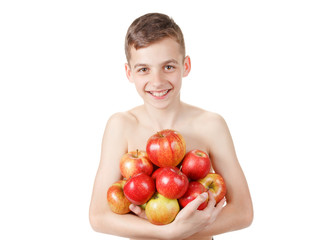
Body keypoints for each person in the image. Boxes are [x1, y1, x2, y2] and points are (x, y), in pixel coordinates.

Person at [89, 13, 253, 240]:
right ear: (129, 73)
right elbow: (99, 216)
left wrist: (181, 230)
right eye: (144, 69)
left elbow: (243, 212)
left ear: (185, 66)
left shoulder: (211, 125)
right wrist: (169, 232)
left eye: (168, 66)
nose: (157, 81)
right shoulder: (121, 126)